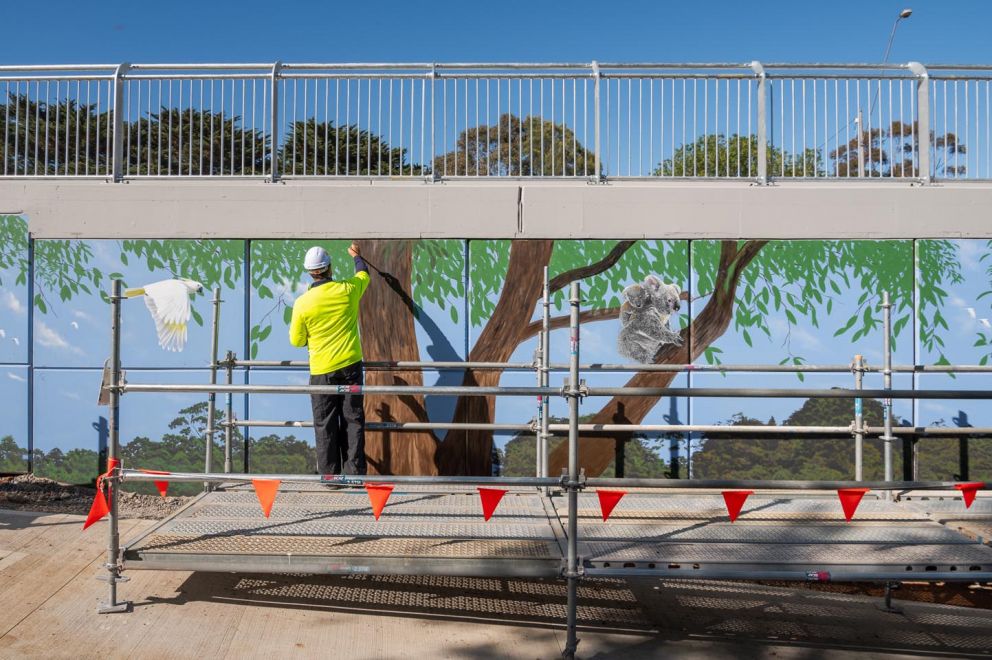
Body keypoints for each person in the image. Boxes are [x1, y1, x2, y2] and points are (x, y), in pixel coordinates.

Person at [289, 242, 370, 475]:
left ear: (309, 272)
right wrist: (356, 257)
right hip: (350, 366)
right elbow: (364, 275)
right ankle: (355, 475)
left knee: (325, 424)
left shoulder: (303, 303)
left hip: (322, 371)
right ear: (330, 268)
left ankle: (330, 476)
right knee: (353, 420)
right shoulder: (348, 290)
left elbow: (296, 340)